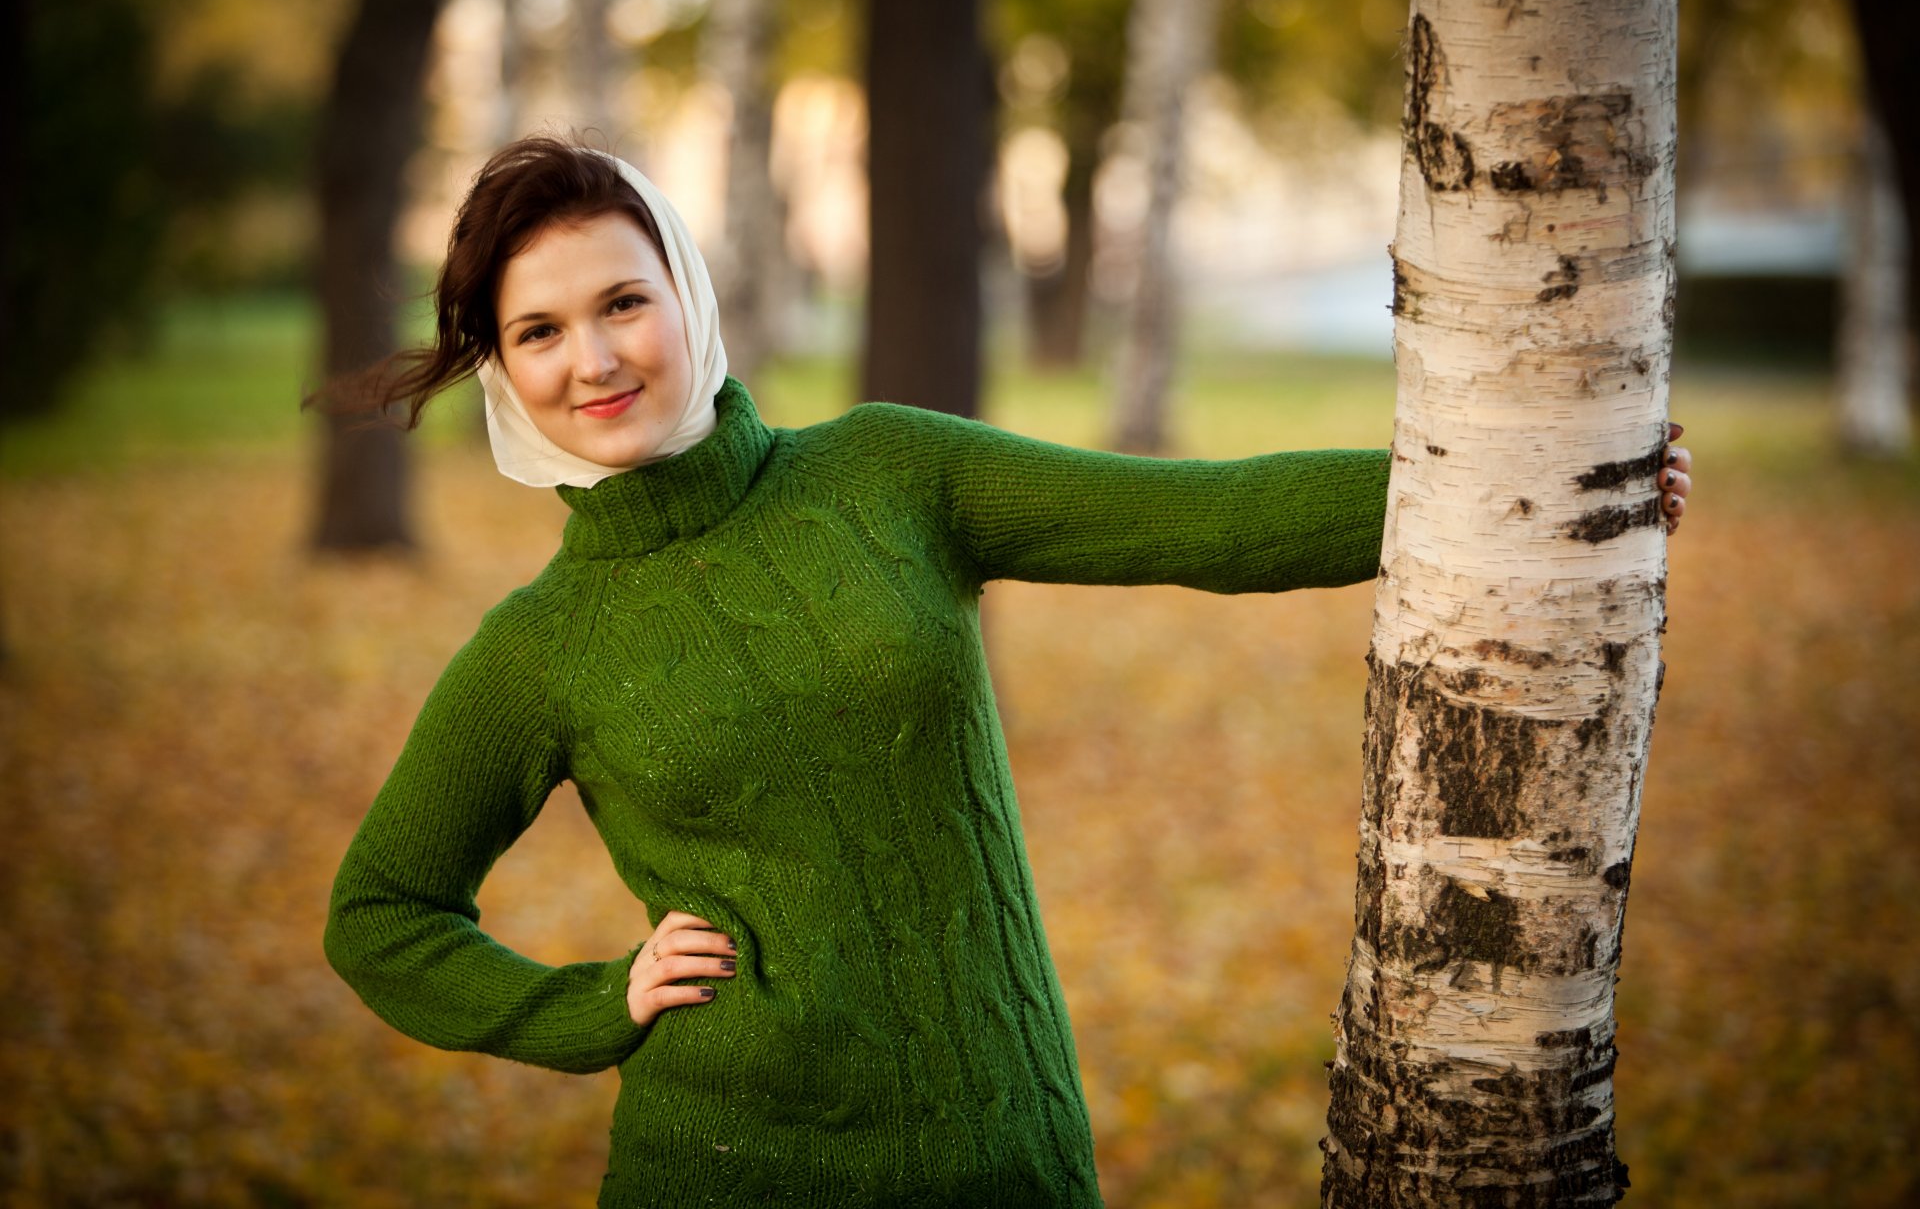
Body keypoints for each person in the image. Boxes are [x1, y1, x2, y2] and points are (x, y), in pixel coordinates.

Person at [320, 137, 1693, 1208]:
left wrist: (1518, 483)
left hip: (1005, 1144)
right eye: (540, 331)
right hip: (728, 1165)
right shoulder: (542, 644)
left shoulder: (889, 473)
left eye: (624, 300)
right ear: (501, 369)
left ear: (691, 294)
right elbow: (382, 913)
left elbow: (1198, 518)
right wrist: (591, 1004)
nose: (596, 358)